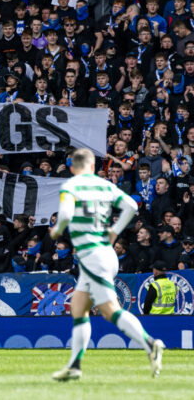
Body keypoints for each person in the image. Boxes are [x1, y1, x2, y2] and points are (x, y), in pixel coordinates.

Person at [50, 148, 164, 382]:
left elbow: (64, 215)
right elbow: (132, 206)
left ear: (73, 167)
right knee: (78, 307)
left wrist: (57, 230)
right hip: (103, 252)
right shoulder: (104, 185)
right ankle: (75, 365)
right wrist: (113, 231)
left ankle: (151, 344)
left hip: (92, 255)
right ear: (92, 167)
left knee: (109, 310)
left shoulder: (71, 186)